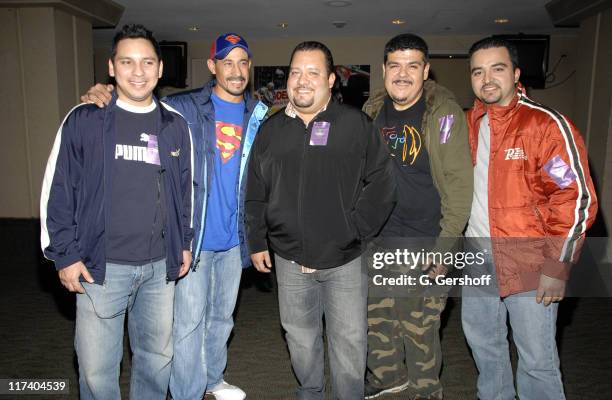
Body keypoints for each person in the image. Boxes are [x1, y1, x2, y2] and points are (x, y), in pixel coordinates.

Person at [80, 32, 268, 400]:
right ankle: (187, 392)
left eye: (243, 62)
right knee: (187, 324)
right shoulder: (183, 107)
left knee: (221, 319)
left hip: (234, 239)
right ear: (212, 66)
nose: (235, 70)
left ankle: (213, 379)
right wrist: (102, 92)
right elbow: (137, 100)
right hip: (192, 237)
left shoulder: (258, 114)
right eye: (226, 62)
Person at [40, 24, 193, 399]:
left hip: (160, 268)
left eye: (147, 62)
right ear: (111, 67)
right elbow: (57, 192)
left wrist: (184, 242)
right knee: (95, 370)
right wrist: (65, 255)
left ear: (160, 70)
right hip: (99, 267)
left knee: (157, 360)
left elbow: (185, 192)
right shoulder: (85, 120)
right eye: (127, 62)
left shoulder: (175, 126)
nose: (137, 72)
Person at [245, 41, 396, 400]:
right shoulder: (271, 130)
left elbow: (383, 181)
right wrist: (256, 240)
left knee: (350, 341)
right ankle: (310, 393)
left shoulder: (355, 125)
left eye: (313, 72)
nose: (302, 80)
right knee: (299, 339)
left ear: (330, 80)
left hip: (345, 258)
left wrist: (355, 229)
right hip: (289, 258)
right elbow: (254, 190)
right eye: (296, 72)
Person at [462, 36, 598, 400]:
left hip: (530, 261)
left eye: (497, 68)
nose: (487, 78)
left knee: (536, 360)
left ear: (516, 73)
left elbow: (575, 197)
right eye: (478, 71)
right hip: (477, 257)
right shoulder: (467, 124)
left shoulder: (545, 126)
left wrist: (558, 266)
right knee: (486, 354)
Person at [361, 33, 473, 399]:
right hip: (378, 242)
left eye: (413, 65)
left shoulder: (443, 112)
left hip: (424, 241)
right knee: (378, 327)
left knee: (419, 331)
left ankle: (427, 392)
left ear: (426, 70)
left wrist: (445, 249)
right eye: (395, 65)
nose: (403, 73)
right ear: (384, 69)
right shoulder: (372, 111)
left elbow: (458, 190)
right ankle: (389, 382)